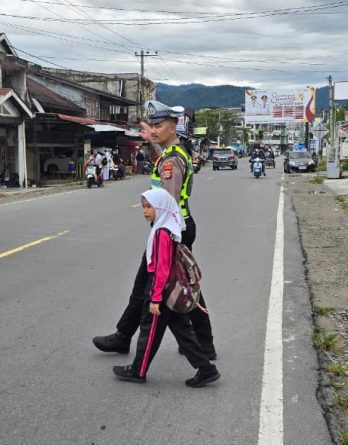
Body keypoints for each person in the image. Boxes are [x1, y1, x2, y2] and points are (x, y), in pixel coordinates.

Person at [93, 100, 217, 360]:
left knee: (157, 287)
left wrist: (163, 237)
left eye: (159, 127)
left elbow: (168, 202)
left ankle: (129, 338)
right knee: (181, 284)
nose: (155, 130)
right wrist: (151, 140)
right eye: (153, 126)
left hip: (171, 229)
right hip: (177, 227)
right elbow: (164, 154)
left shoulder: (171, 162)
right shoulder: (175, 152)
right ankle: (201, 344)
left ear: (173, 127)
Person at [112, 188, 220, 387]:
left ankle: (138, 370)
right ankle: (206, 369)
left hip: (161, 289)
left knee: (149, 330)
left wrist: (155, 298)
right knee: (183, 332)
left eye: (148, 207)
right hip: (171, 290)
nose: (144, 211)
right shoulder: (168, 226)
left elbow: (162, 268)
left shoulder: (162, 232)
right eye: (143, 207)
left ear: (160, 207)